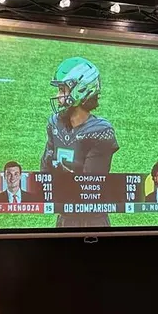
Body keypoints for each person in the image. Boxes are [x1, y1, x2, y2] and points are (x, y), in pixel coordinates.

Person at [41, 57, 119, 228]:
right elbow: (45, 170)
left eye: (62, 90)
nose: (58, 96)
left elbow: (89, 185)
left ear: (81, 89)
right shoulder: (55, 123)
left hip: (92, 219)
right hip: (65, 216)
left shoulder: (100, 131)